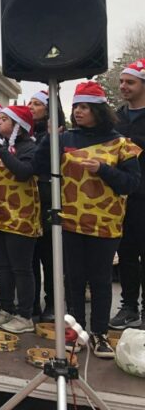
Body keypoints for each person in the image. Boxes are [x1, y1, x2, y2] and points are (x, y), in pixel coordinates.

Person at [33, 82, 141, 357]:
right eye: (76, 106)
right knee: (74, 280)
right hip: (70, 221)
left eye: (84, 107)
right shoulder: (66, 138)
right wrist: (49, 139)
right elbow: (40, 168)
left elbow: (131, 184)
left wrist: (103, 169)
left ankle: (100, 335)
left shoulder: (121, 144)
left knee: (101, 281)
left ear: (98, 110)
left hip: (105, 225)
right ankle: (76, 331)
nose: (78, 112)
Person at [0, 105, 41, 334]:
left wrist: (0, 150)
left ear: (18, 125)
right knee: (4, 267)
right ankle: (7, 309)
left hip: (20, 217)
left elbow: (23, 171)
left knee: (21, 268)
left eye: (4, 119)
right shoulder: (2, 147)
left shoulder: (30, 147)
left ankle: (25, 315)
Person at [110, 59, 145, 330]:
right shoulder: (117, 117)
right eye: (122, 81)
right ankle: (129, 307)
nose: (123, 86)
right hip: (123, 198)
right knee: (127, 253)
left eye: (129, 82)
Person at [27, 89, 65, 323]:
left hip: (49, 200)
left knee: (49, 258)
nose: (31, 107)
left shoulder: (59, 133)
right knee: (30, 256)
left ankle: (52, 303)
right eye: (29, 104)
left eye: (37, 104)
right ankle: (31, 302)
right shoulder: (24, 134)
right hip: (28, 203)